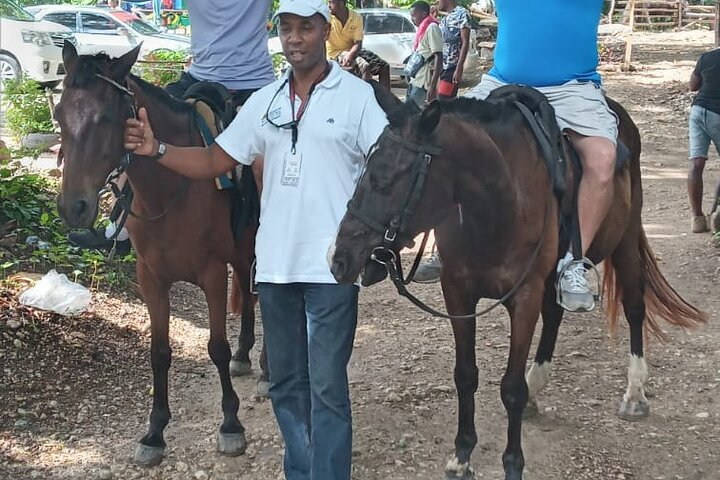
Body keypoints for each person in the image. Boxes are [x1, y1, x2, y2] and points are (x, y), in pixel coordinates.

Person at [122, 0, 388, 478]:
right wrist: (156, 149)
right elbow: (212, 162)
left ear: (324, 31)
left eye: (305, 28)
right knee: (286, 386)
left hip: (332, 267)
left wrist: (374, 232)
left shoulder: (356, 98)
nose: (294, 38)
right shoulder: (266, 101)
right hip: (276, 269)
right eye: (287, 28)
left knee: (327, 389)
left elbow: (387, 165)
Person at [415, 0, 618, 313]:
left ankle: (574, 264)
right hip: (502, 81)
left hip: (573, 89)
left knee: (603, 160)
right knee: (445, 137)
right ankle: (447, 244)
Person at [68, 0, 275, 253]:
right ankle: (119, 225)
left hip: (254, 83)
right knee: (137, 124)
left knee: (264, 161)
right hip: (198, 77)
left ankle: (271, 235)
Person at [687, 47, 720, 233]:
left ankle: (697, 219)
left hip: (698, 111)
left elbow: (693, 86)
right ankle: (716, 212)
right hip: (718, 114)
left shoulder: (707, 57)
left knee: (697, 162)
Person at [326, 0, 391, 90]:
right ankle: (363, 98)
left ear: (341, 2)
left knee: (384, 66)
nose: (328, 5)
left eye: (331, 2)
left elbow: (358, 43)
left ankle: (385, 101)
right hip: (336, 53)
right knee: (365, 67)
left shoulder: (356, 17)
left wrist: (351, 54)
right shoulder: (327, 18)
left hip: (353, 50)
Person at [405, 1, 443, 108]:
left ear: (423, 14)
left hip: (423, 83)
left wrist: (432, 86)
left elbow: (438, 57)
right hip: (415, 80)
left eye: (413, 16)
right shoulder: (423, 29)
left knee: (415, 116)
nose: (412, 19)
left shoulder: (432, 28)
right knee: (409, 114)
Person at [437, 0, 471, 99]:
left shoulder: (462, 13)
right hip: (443, 67)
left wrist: (459, 68)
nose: (437, 2)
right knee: (444, 103)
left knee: (443, 101)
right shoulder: (445, 18)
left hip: (452, 67)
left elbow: (465, 42)